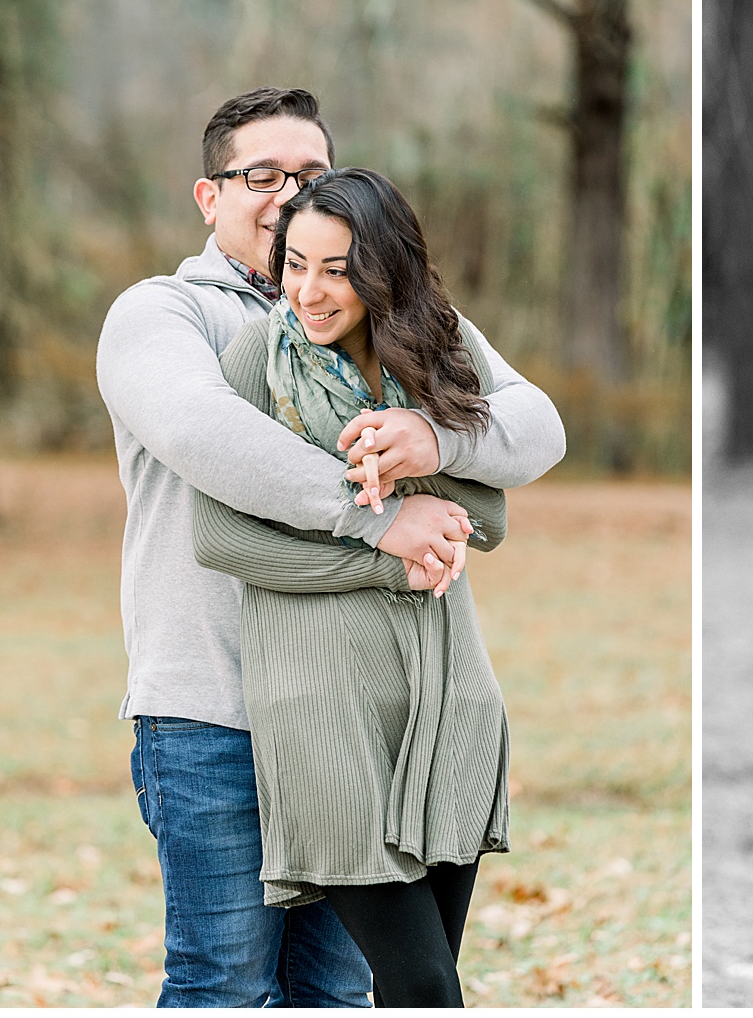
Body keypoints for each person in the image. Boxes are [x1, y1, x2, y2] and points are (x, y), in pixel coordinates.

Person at [96, 87, 564, 1007]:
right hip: (213, 708)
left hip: (368, 709)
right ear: (209, 195)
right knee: (224, 980)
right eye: (258, 174)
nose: (284, 192)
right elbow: (209, 440)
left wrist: (441, 441)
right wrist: (381, 519)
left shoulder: (395, 327)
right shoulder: (164, 316)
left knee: (339, 993)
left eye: (307, 173)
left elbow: (534, 422)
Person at [189, 167, 520, 1007]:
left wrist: (424, 451)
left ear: (383, 270)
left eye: (335, 269)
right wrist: (382, 554)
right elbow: (220, 536)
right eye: (295, 264)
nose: (308, 290)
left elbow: (491, 514)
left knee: (429, 983)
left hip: (448, 697)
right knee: (422, 986)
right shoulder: (253, 364)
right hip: (321, 709)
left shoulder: (442, 354)